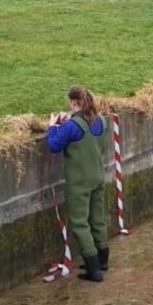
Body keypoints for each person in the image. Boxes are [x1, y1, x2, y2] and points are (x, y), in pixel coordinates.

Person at [46, 85, 109, 283]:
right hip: (98, 177)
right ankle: (102, 260)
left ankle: (94, 270)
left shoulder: (72, 127)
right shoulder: (101, 121)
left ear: (73, 102)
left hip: (79, 182)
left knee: (80, 223)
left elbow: (53, 146)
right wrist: (69, 121)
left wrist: (52, 126)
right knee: (97, 219)